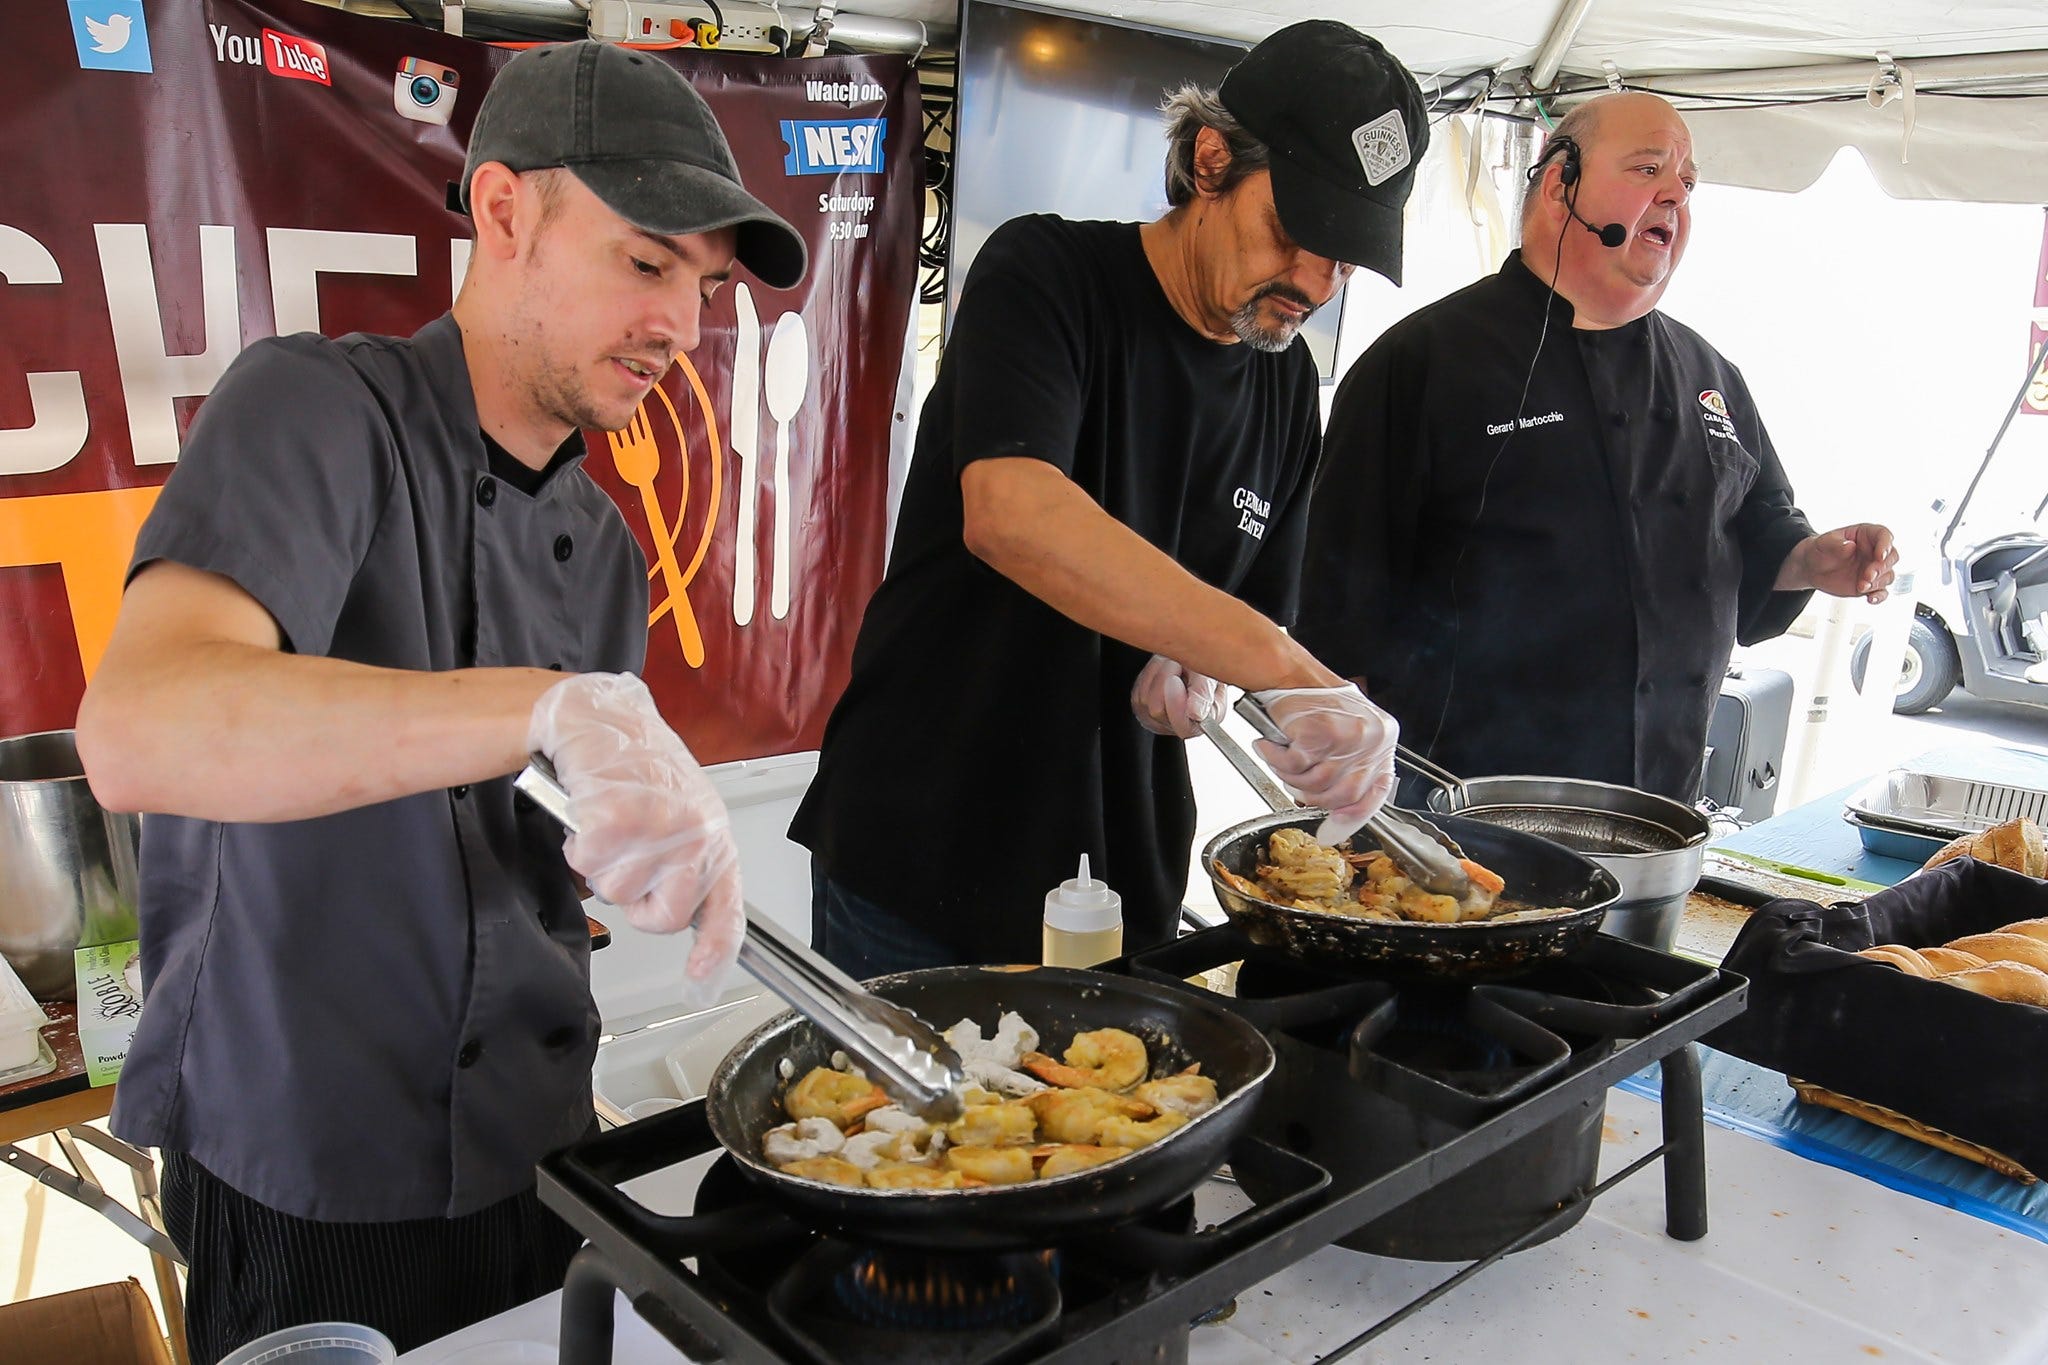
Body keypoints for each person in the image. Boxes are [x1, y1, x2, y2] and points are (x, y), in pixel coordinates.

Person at [73, 41, 806, 1360]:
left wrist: (626, 853)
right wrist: (541, 706)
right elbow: (141, 726)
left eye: (701, 287)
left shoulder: (606, 551)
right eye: (646, 263)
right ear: (506, 210)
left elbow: (525, 862)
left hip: (535, 1153)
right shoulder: (318, 410)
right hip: (312, 1170)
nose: (681, 328)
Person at [790, 21, 1423, 976]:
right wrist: (1279, 662)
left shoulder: (1287, 385)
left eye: (1345, 259)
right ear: (1211, 160)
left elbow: (1240, 608)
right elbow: (1013, 513)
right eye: (1295, 234)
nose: (1313, 283)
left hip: (1123, 876)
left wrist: (1203, 672)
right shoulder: (1047, 277)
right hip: (926, 849)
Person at [1295, 92, 1897, 803]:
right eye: (1649, 169)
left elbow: (1761, 528)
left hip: (1656, 818)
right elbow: (1338, 617)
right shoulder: (1423, 363)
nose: (1676, 193)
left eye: (1688, 182)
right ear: (1559, 185)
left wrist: (1809, 560)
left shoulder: (1711, 379)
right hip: (1464, 827)